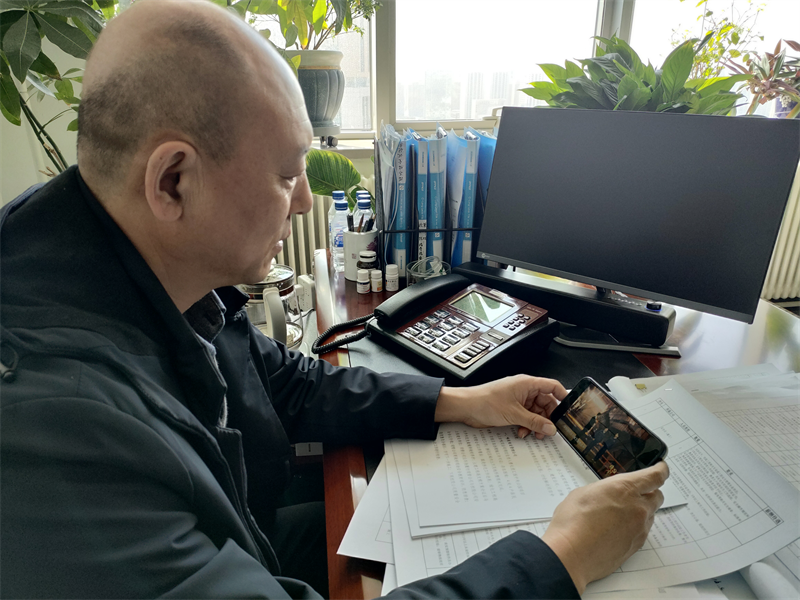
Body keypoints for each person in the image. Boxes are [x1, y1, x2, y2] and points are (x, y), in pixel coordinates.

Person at [0, 1, 669, 598]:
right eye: (286, 173)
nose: (302, 201)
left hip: (242, 531)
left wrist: (461, 401)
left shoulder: (137, 262)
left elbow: (286, 385)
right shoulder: (54, 440)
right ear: (173, 181)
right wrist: (563, 558)